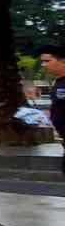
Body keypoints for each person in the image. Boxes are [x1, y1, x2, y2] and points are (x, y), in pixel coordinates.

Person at [41, 44, 65, 177]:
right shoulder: (58, 82)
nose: (43, 65)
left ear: (62, 61)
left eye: (47, 61)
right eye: (42, 62)